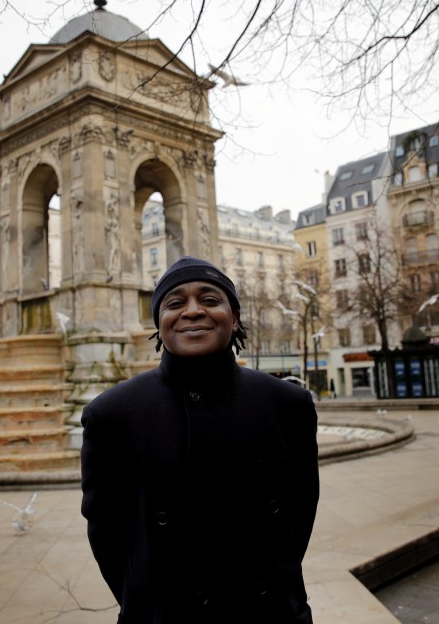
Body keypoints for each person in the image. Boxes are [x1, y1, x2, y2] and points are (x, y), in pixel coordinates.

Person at [81, 256, 320, 624]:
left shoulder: (288, 404)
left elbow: (298, 515)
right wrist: (146, 598)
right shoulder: (111, 414)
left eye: (209, 300)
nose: (192, 311)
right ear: (158, 324)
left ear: (235, 317)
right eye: (175, 303)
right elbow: (107, 533)